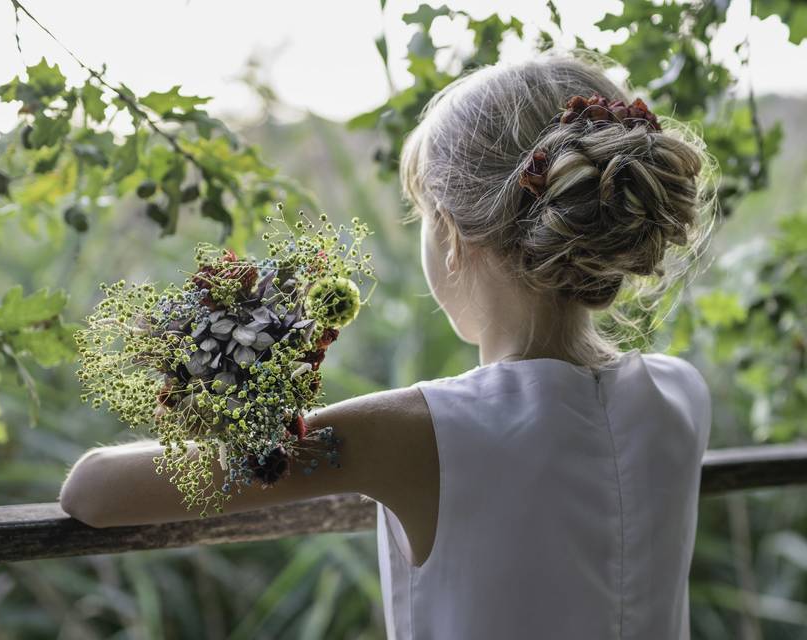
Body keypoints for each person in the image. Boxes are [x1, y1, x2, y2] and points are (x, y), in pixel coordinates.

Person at [60, 48, 715, 639]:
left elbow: (92, 491)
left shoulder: (416, 433)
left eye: (423, 213)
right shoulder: (682, 394)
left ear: (453, 235)